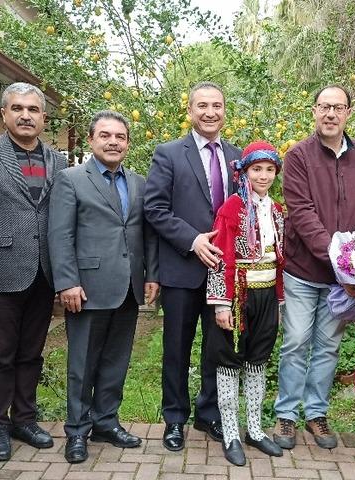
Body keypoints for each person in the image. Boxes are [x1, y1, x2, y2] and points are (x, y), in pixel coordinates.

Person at [274, 85, 355, 450]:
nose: (330, 114)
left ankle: (316, 414)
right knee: (295, 342)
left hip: (343, 278)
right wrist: (337, 253)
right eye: (324, 106)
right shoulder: (298, 157)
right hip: (304, 270)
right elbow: (301, 211)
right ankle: (286, 416)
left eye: (338, 107)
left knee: (328, 346)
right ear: (314, 111)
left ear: (348, 113)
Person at [0, 82, 68, 461]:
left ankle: (24, 418)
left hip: (44, 273)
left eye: (33, 110)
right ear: (4, 114)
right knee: (0, 353)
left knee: (32, 352)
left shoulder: (59, 162)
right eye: (17, 108)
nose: (25, 115)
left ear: (43, 118)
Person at [48, 110, 159, 463]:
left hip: (128, 286)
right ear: (91, 140)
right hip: (87, 287)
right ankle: (77, 431)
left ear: (127, 143)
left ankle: (106, 422)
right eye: (105, 135)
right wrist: (67, 282)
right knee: (82, 362)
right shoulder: (71, 179)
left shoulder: (139, 183)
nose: (113, 142)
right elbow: (60, 234)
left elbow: (146, 233)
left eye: (120, 137)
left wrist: (151, 275)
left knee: (115, 360)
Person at [144, 81, 239, 450]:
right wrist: (193, 239)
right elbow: (154, 209)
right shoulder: (168, 153)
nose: (210, 112)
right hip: (182, 269)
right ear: (190, 110)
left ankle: (209, 413)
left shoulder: (237, 155)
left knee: (218, 348)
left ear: (224, 110)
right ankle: (174, 418)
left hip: (223, 273)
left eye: (216, 105)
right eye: (202, 105)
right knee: (177, 348)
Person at [205, 141, 285, 466]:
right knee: (228, 361)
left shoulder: (277, 210)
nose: (263, 176)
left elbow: (281, 262)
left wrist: (279, 303)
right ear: (245, 172)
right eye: (257, 170)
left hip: (267, 294)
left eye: (269, 170)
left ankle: (254, 428)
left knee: (258, 360)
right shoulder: (231, 208)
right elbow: (219, 258)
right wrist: (221, 304)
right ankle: (230, 433)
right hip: (237, 296)